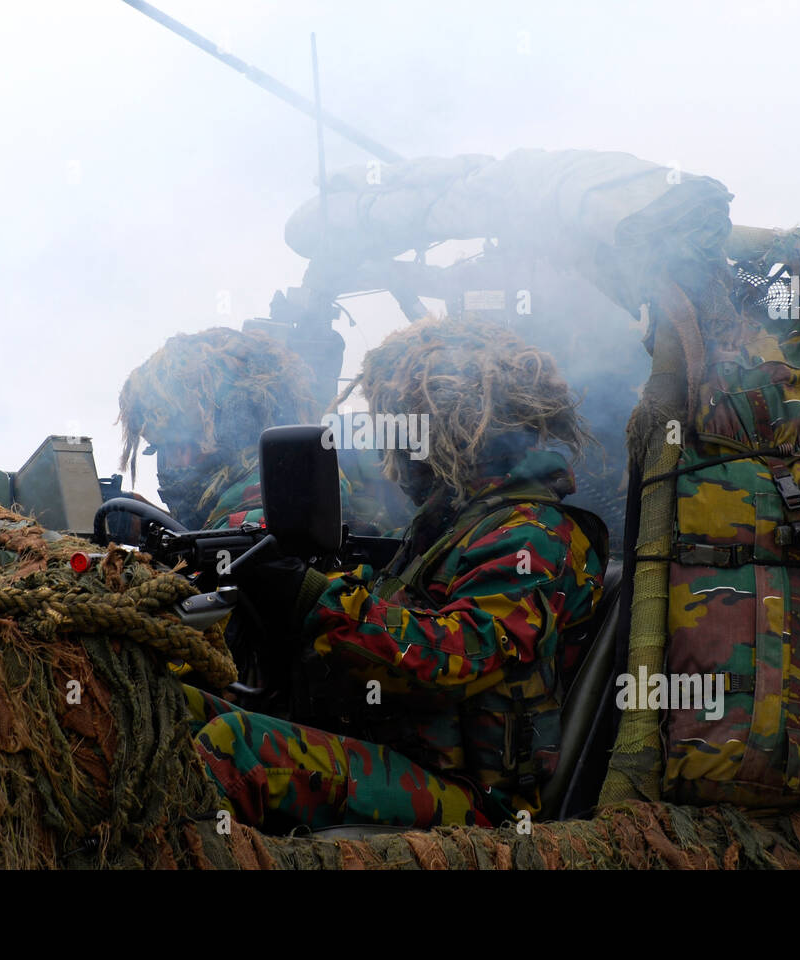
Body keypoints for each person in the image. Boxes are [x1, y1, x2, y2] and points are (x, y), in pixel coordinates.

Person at [188, 317, 607, 831]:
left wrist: (313, 597)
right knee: (178, 707)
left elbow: (459, 656)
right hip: (397, 756)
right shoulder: (446, 526)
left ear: (458, 431)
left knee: (239, 751)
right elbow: (404, 608)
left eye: (407, 427)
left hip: (474, 798)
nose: (398, 449)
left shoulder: (533, 534)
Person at [117, 326, 317, 530]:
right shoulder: (238, 496)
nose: (179, 461)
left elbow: (224, 548)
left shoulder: (264, 497)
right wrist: (145, 523)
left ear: (235, 433)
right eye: (162, 448)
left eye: (189, 443)